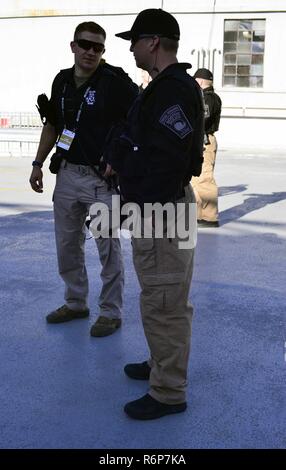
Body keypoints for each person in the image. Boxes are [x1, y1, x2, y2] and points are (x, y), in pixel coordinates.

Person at [104, 9, 204, 419]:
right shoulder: (164, 86)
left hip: (161, 212)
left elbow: (161, 158)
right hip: (162, 208)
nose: (130, 48)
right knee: (163, 298)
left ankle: (168, 392)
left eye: (135, 40)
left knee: (165, 301)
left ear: (154, 43)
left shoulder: (171, 90)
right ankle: (159, 362)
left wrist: (119, 155)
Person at [29, 22, 138, 337]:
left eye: (98, 47)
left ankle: (111, 311)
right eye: (85, 44)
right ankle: (76, 302)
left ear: (103, 51)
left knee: (108, 247)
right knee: (67, 244)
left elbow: (139, 119)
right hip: (67, 175)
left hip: (100, 180)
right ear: (73, 46)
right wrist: (38, 163)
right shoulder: (62, 81)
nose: (91, 51)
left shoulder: (115, 81)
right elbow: (54, 124)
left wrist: (120, 157)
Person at [192, 68, 222, 227]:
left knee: (205, 178)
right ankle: (200, 214)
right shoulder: (205, 97)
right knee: (196, 180)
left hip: (205, 141)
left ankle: (210, 216)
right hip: (200, 140)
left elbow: (203, 118)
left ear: (200, 81)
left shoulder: (209, 98)